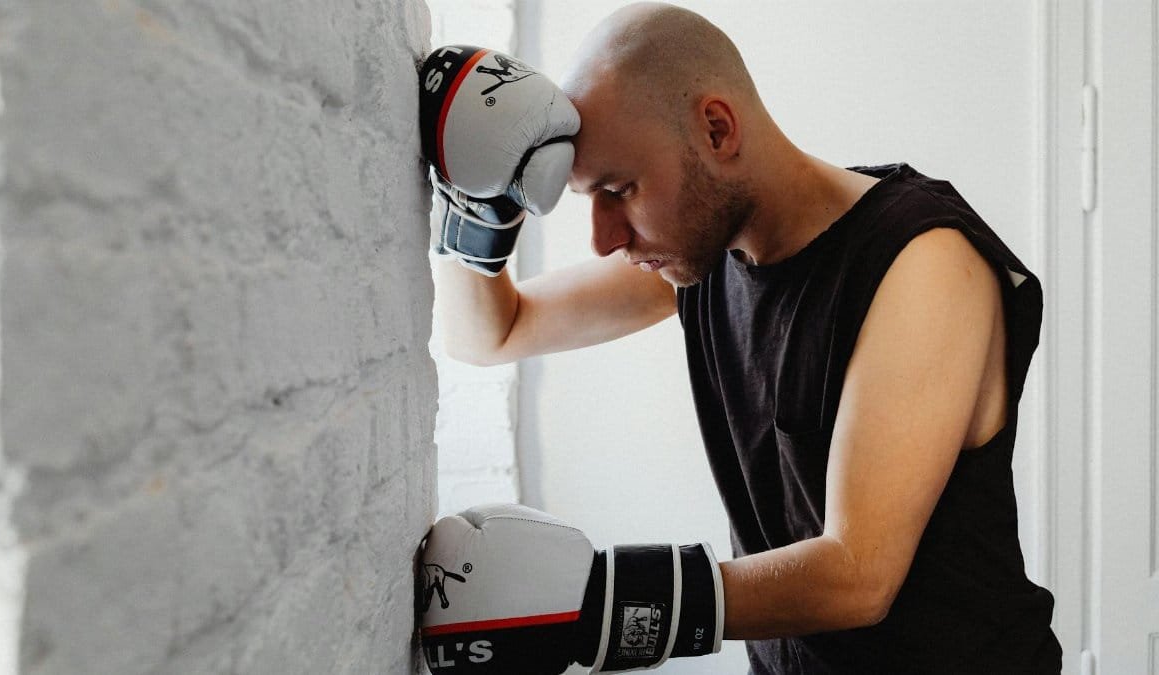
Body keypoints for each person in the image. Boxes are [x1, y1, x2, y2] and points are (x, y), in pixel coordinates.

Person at [416, 3, 1062, 673]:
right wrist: (479, 205)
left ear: (717, 129)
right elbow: (492, 332)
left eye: (622, 189)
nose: (605, 237)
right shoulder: (706, 256)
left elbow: (858, 574)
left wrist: (606, 603)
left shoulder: (921, 262)